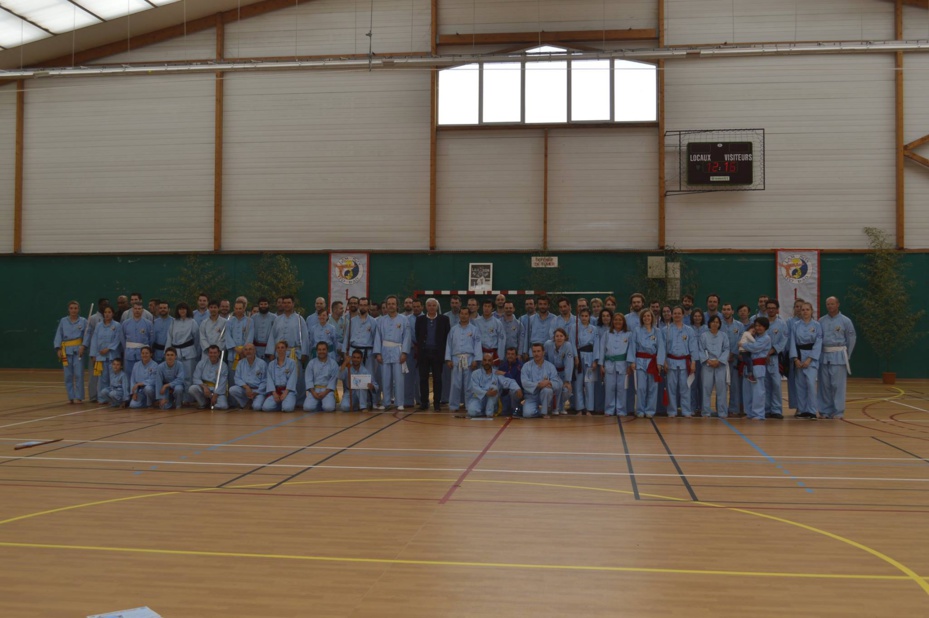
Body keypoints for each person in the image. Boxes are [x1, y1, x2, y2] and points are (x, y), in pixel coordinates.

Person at [819, 296, 856, 419]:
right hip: (824, 355)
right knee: (825, 385)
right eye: (828, 304)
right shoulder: (821, 321)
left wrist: (847, 355)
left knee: (837, 385)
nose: (830, 306)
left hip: (839, 355)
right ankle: (825, 411)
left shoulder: (845, 321)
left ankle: (838, 411)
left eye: (832, 304)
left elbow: (851, 339)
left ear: (838, 304)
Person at [373, 295, 411, 411]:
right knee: (385, 378)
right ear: (386, 306)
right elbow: (377, 337)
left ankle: (399, 402)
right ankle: (386, 402)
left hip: (398, 350)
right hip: (384, 350)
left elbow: (407, 337)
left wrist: (404, 352)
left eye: (393, 304)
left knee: (399, 378)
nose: (390, 306)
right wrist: (378, 353)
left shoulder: (404, 320)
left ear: (397, 305)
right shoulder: (381, 320)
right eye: (388, 304)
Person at [415, 298, 451, 411]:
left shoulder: (444, 319)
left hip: (437, 354)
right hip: (424, 353)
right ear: (426, 307)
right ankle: (424, 402)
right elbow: (418, 335)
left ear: (437, 307)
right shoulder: (420, 320)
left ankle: (436, 403)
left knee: (437, 379)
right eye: (429, 305)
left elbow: (447, 336)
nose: (431, 307)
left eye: (433, 305)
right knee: (423, 379)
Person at [789, 301, 823, 419]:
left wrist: (810, 359)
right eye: (803, 309)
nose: (805, 312)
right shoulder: (796, 325)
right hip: (799, 356)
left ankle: (812, 411)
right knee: (800, 385)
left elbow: (818, 343)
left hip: (811, 358)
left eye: (807, 309)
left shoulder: (817, 325)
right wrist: (795, 359)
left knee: (810, 383)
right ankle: (802, 410)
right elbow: (792, 342)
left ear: (811, 311)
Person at [445, 307, 482, 411]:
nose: (464, 316)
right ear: (459, 315)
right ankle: (453, 405)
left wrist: (476, 359)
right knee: (455, 384)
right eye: (462, 314)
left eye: (466, 314)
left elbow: (477, 345)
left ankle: (469, 405)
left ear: (469, 315)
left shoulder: (474, 330)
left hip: (469, 359)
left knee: (469, 385)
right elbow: (449, 345)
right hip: (456, 358)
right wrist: (448, 359)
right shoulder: (453, 329)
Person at [664, 307, 698, 418]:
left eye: (679, 313)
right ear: (672, 315)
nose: (677, 315)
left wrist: (693, 362)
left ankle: (686, 411)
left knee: (685, 387)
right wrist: (663, 361)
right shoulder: (666, 330)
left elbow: (693, 347)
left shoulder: (689, 330)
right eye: (675, 313)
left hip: (684, 362)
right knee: (671, 388)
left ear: (683, 315)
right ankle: (672, 411)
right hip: (670, 361)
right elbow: (662, 348)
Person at [467, 352, 522, 418]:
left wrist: (517, 388)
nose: (487, 362)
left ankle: (489, 412)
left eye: (489, 360)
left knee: (494, 388)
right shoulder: (475, 374)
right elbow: (474, 387)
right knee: (472, 412)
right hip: (479, 398)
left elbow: (509, 382)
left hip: (492, 401)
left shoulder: (497, 373)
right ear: (482, 362)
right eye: (485, 360)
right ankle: (483, 411)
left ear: (492, 362)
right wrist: (486, 393)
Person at [54, 300, 89, 404]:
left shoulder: (83, 321)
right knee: (68, 375)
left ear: (78, 309)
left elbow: (87, 335)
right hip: (66, 350)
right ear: (68, 309)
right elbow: (58, 335)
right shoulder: (63, 321)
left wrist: (84, 346)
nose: (73, 310)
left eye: (75, 308)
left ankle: (79, 396)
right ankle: (70, 396)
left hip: (78, 350)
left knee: (78, 374)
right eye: (71, 308)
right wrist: (58, 348)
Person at [633, 308, 666, 418]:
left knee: (653, 387)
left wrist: (660, 362)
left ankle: (650, 410)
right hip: (640, 361)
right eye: (644, 316)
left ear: (652, 318)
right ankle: (640, 410)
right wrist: (632, 361)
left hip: (653, 361)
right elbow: (632, 347)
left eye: (648, 316)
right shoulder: (637, 330)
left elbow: (661, 347)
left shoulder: (657, 331)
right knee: (641, 387)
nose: (646, 318)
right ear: (641, 318)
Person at [166, 302, 200, 404]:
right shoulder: (173, 322)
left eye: (184, 309)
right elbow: (169, 338)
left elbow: (197, 339)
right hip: (176, 352)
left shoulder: (193, 322)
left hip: (189, 352)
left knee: (188, 377)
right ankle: (177, 398)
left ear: (187, 310)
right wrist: (167, 353)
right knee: (177, 377)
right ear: (177, 311)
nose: (182, 311)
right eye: (180, 309)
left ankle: (188, 399)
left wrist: (197, 353)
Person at [600, 312, 634, 417]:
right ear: (612, 322)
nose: (617, 322)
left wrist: (629, 365)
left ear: (623, 321)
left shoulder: (628, 334)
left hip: (623, 364)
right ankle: (609, 410)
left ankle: (621, 410)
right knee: (609, 387)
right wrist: (601, 364)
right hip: (609, 363)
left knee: (622, 388)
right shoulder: (607, 334)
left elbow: (631, 350)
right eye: (615, 320)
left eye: (620, 320)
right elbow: (602, 349)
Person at [90, 306, 123, 404]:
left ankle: (114, 398)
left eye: (109, 312)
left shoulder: (117, 325)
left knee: (113, 378)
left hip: (112, 355)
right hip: (101, 357)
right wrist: (93, 355)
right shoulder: (99, 326)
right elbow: (94, 340)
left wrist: (108, 348)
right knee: (102, 378)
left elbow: (118, 339)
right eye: (105, 312)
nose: (107, 314)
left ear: (112, 314)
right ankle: (102, 398)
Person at [741, 318, 773, 421]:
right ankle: (749, 412)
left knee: (758, 392)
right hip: (748, 366)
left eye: (760, 326)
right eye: (756, 326)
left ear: (765, 327)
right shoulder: (754, 337)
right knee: (747, 391)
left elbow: (755, 348)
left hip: (758, 366)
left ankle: (758, 414)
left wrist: (743, 345)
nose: (758, 328)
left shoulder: (766, 338)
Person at [521, 343, 563, 418]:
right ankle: (540, 411)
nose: (536, 354)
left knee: (547, 390)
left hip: (545, 396)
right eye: (534, 351)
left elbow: (558, 383)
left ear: (543, 352)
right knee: (527, 414)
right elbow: (524, 382)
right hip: (531, 396)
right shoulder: (526, 366)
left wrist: (549, 382)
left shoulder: (550, 366)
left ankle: (545, 412)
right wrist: (538, 385)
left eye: (538, 351)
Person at [700, 315, 730, 418]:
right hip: (707, 364)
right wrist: (707, 360)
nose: (715, 324)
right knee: (706, 389)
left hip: (720, 365)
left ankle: (722, 412)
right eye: (713, 322)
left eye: (717, 322)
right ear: (709, 323)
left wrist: (720, 361)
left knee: (721, 389)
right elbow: (701, 349)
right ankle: (706, 412)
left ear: (719, 324)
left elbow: (726, 349)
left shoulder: (723, 336)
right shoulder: (704, 335)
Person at [764, 300, 789, 419]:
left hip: (775, 358)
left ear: (777, 309)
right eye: (768, 308)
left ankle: (777, 410)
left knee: (776, 384)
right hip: (762, 358)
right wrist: (763, 352)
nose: (771, 310)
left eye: (773, 308)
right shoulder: (761, 322)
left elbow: (783, 340)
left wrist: (772, 351)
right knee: (765, 384)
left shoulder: (782, 324)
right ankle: (766, 409)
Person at [573, 308, 600, 416]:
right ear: (579, 317)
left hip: (590, 357)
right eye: (582, 316)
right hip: (578, 358)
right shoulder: (574, 328)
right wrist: (575, 356)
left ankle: (589, 408)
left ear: (589, 317)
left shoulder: (594, 329)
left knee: (589, 384)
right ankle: (579, 408)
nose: (584, 318)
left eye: (586, 316)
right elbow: (572, 343)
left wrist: (595, 360)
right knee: (578, 384)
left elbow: (597, 345)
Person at [544, 327, 576, 415]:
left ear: (565, 337)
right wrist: (546, 373)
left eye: (561, 336)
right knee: (555, 388)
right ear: (554, 337)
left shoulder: (568, 345)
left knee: (566, 390)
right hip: (552, 372)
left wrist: (567, 380)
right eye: (557, 336)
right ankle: (554, 408)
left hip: (563, 372)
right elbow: (544, 359)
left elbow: (569, 363)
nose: (559, 338)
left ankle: (561, 406)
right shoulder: (548, 344)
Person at [721, 303, 745, 417]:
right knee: (721, 385)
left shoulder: (739, 325)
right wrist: (724, 354)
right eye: (724, 309)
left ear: (732, 311)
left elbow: (741, 341)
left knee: (735, 385)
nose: (726, 311)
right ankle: (721, 409)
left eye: (728, 309)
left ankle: (734, 409)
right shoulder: (718, 324)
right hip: (721, 359)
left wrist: (733, 353)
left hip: (735, 359)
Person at [229, 343, 268, 411]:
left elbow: (265, 380)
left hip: (258, 390)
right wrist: (246, 387)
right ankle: (246, 402)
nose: (248, 351)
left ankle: (255, 401)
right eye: (246, 350)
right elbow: (237, 378)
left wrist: (257, 392)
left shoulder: (262, 363)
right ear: (244, 352)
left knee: (256, 407)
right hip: (245, 390)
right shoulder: (240, 363)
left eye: (250, 349)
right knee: (232, 390)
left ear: (255, 350)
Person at [189, 345, 229, 410]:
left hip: (217, 390)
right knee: (192, 388)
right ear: (208, 353)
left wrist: (215, 396)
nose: (213, 355)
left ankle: (212, 403)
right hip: (205, 389)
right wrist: (204, 387)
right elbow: (196, 378)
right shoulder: (201, 363)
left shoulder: (223, 366)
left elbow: (222, 383)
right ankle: (203, 403)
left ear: (219, 353)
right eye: (211, 353)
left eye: (215, 353)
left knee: (223, 406)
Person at [262, 341, 299, 412]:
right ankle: (280, 404)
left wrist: (285, 392)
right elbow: (269, 380)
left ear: (286, 349)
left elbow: (293, 379)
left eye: (282, 347)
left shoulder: (292, 363)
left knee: (287, 408)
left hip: (288, 391)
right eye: (278, 348)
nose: (280, 349)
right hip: (276, 391)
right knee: (266, 408)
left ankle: (286, 403)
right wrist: (274, 393)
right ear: (276, 350)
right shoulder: (271, 364)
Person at [304, 342, 340, 412]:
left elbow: (333, 381)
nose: (321, 351)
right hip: (314, 390)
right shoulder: (311, 363)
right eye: (319, 350)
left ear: (327, 350)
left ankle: (327, 401)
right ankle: (318, 403)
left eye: (324, 349)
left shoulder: (333, 363)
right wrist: (313, 392)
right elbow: (308, 379)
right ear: (317, 351)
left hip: (327, 390)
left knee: (328, 408)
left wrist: (325, 392)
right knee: (307, 408)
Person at [85, 298, 109, 402]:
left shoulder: (111, 319)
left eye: (107, 305)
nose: (104, 307)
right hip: (96, 352)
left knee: (105, 376)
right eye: (103, 305)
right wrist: (92, 353)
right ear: (99, 305)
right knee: (94, 375)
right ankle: (93, 396)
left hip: (107, 352)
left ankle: (104, 395)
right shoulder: (93, 318)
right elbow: (89, 335)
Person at [121, 303, 153, 378]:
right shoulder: (125, 323)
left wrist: (146, 350)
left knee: (142, 374)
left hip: (143, 354)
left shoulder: (148, 323)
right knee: (128, 374)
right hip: (129, 353)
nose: (137, 311)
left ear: (142, 310)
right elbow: (122, 338)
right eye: (135, 309)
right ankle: (129, 389)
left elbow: (151, 339)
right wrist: (126, 349)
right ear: (132, 310)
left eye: (139, 309)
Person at [472, 299, 506, 363]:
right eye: (485, 306)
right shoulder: (475, 322)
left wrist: (500, 357)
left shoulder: (498, 323)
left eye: (489, 306)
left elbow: (501, 340)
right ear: (482, 307)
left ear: (492, 309)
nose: (486, 308)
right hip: (479, 354)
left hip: (493, 354)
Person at [225, 300, 254, 371]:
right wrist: (235, 348)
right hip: (233, 353)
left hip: (245, 353)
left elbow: (250, 336)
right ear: (234, 309)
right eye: (236, 308)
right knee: (232, 375)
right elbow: (227, 336)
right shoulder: (229, 321)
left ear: (244, 309)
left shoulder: (249, 321)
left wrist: (244, 349)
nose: (238, 310)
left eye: (240, 308)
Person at [496, 347, 524, 417]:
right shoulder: (502, 366)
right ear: (506, 355)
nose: (510, 356)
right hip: (505, 393)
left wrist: (505, 374)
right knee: (504, 412)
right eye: (508, 354)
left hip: (518, 392)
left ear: (516, 355)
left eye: (512, 354)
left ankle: (516, 410)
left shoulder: (521, 366)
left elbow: (517, 382)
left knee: (513, 390)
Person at [690, 309, 707, 415]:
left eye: (699, 316)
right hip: (692, 360)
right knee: (692, 384)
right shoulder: (689, 329)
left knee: (702, 385)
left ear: (702, 317)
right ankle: (692, 407)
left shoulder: (706, 329)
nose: (697, 318)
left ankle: (702, 407)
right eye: (695, 316)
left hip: (704, 360)